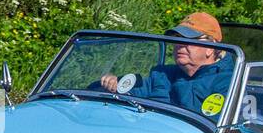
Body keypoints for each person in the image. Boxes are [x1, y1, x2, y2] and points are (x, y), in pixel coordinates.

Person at [98, 11, 235, 120]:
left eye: (189, 39)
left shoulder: (228, 82)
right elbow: (133, 94)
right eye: (177, 39)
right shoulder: (162, 74)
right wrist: (114, 85)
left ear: (211, 47)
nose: (179, 45)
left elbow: (211, 127)